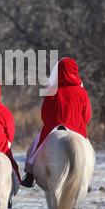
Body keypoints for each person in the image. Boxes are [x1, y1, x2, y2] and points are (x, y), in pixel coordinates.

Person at [21, 57, 92, 188]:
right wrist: (80, 125)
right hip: (77, 129)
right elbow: (87, 115)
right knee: (89, 153)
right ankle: (86, 180)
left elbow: (45, 113)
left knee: (33, 149)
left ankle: (29, 175)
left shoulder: (52, 89)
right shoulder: (82, 91)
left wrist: (50, 122)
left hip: (54, 128)